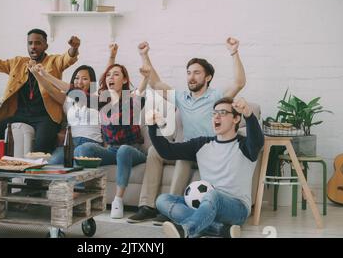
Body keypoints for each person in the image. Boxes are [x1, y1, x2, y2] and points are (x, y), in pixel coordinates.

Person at [128, 38, 248, 224]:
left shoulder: (217, 96)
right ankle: (147, 206)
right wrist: (144, 55)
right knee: (154, 151)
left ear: (207, 77)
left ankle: (170, 211)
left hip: (206, 149)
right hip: (187, 145)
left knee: (183, 158)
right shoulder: (182, 97)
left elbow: (239, 82)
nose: (191, 77)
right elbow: (156, 83)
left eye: (197, 73)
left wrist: (234, 52)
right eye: (189, 73)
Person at [0, 29, 80, 159]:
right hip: (20, 115)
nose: (33, 46)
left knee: (40, 150)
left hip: (46, 117)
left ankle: (33, 180)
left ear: (45, 45)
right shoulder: (18, 63)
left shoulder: (53, 62)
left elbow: (67, 58)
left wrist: (74, 48)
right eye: (30, 43)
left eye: (37, 43)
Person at [148, 97, 264, 238]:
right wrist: (153, 125)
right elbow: (167, 151)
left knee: (212, 194)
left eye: (222, 112)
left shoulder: (245, 146)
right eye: (214, 113)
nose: (216, 116)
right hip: (205, 204)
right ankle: (221, 230)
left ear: (236, 119)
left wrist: (248, 113)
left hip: (237, 208)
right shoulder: (201, 144)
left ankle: (186, 229)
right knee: (163, 200)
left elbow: (257, 141)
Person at [74, 62, 152, 219]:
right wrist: (44, 75)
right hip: (111, 149)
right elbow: (72, 91)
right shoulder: (102, 101)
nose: (111, 77)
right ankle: (77, 194)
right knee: (83, 149)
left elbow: (141, 90)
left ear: (124, 80)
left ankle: (118, 200)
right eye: (109, 75)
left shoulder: (131, 98)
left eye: (116, 74)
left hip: (133, 150)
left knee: (123, 150)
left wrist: (145, 77)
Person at [28, 44, 120, 164]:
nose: (79, 82)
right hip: (70, 143)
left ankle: (74, 181)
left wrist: (112, 56)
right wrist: (35, 74)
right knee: (52, 163)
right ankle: (58, 183)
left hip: (91, 143)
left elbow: (107, 80)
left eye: (84, 79)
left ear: (91, 82)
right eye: (77, 78)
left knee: (80, 158)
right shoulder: (67, 99)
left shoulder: (97, 98)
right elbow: (50, 89)